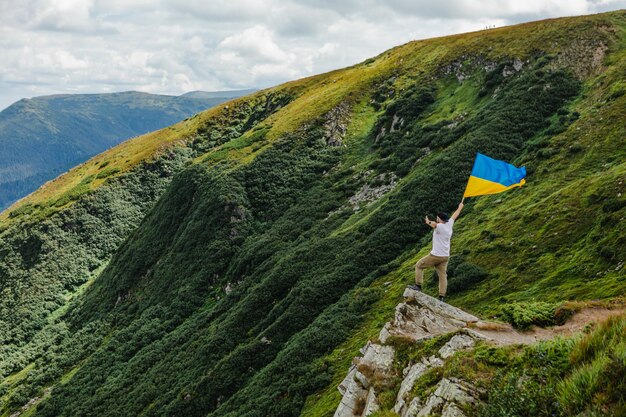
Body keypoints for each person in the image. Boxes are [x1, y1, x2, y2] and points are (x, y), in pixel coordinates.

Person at [408, 201, 464, 302]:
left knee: (419, 265)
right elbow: (454, 215)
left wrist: (428, 222)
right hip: (445, 256)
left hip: (435, 256)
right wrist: (460, 207)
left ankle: (418, 286)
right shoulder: (449, 224)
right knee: (443, 276)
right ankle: (441, 297)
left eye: (437, 218)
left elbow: (434, 225)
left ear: (439, 219)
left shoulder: (440, 226)